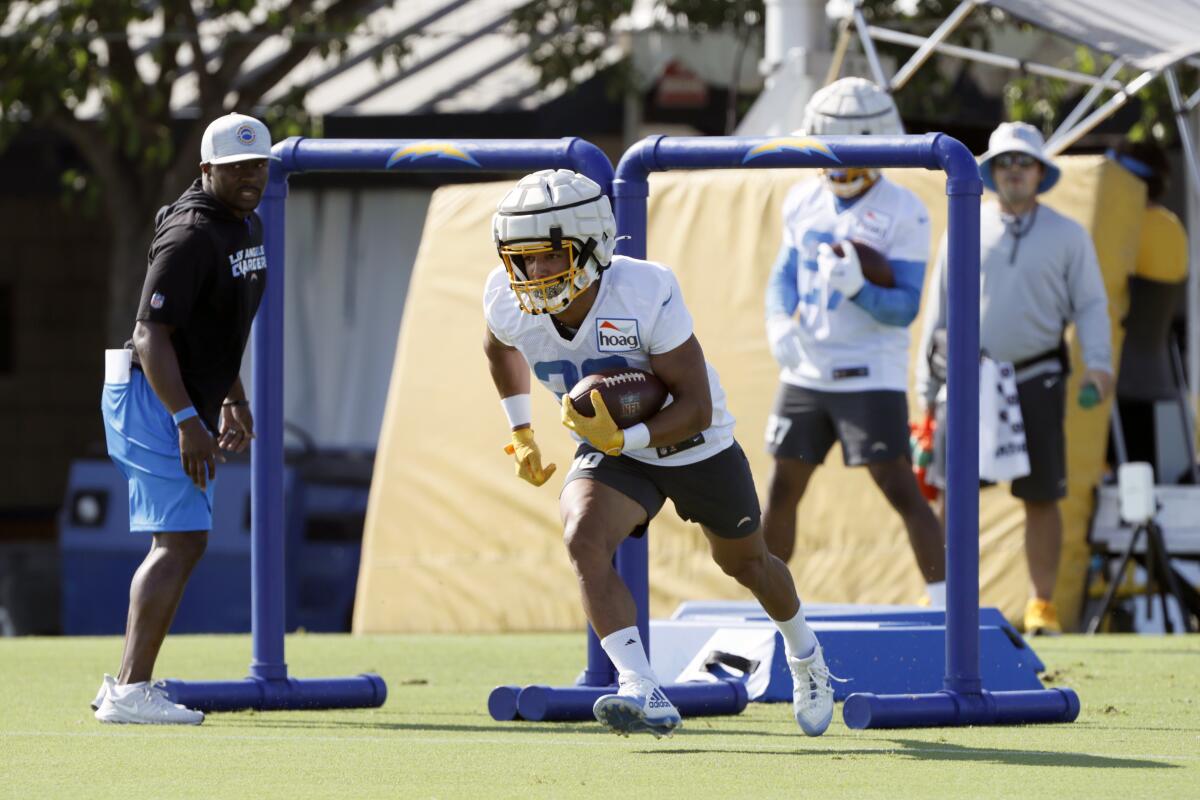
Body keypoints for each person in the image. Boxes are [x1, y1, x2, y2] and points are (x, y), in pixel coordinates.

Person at [483, 169, 835, 738]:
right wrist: (521, 430)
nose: (535, 273)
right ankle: (640, 686)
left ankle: (806, 655)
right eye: (523, 259)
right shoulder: (506, 299)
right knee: (582, 536)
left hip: (696, 442)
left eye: (550, 256)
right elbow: (498, 349)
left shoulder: (644, 290)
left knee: (746, 564)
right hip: (613, 451)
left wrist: (625, 439)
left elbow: (694, 405)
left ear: (593, 247)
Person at [93, 113, 276, 723]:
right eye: (236, 168)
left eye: (259, 165)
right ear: (207, 170)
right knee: (183, 540)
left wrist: (233, 399)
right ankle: (130, 691)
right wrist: (185, 420)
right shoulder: (193, 233)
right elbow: (151, 334)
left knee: (178, 539)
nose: (251, 177)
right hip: (151, 396)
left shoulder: (240, 221)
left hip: (179, 396)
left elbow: (216, 328)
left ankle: (124, 683)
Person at [916, 121, 1113, 635]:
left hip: (1038, 374)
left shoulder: (1068, 234)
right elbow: (937, 312)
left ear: (1041, 172)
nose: (1014, 171)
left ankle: (1041, 606)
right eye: (1004, 162)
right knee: (954, 491)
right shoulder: (965, 224)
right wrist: (925, 392)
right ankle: (946, 600)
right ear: (990, 170)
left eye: (1024, 162)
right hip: (966, 377)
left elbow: (1091, 305)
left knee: (1042, 494)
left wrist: (1098, 364)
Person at [761, 77, 947, 605]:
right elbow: (783, 274)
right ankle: (771, 601)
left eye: (849, 159)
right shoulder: (802, 200)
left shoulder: (905, 209)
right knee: (780, 489)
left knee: (897, 486)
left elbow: (905, 307)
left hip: (869, 367)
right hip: (806, 367)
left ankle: (945, 603)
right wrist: (778, 321)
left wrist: (862, 291)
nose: (837, 171)